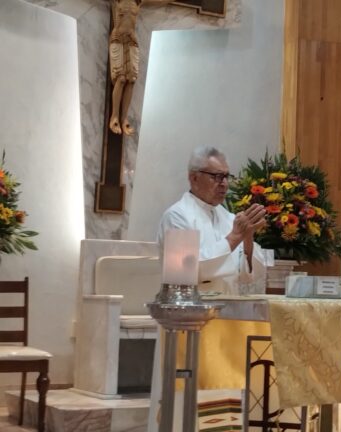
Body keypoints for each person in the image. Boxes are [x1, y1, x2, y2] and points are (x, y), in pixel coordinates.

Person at [157, 146, 270, 294]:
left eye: (226, 176)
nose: (224, 183)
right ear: (194, 178)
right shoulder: (177, 216)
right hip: (191, 311)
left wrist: (247, 237)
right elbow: (186, 271)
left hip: (229, 308)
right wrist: (234, 237)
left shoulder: (228, 217)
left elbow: (248, 277)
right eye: (217, 176)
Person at [108, 0, 174, 135]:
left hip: (132, 40)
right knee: (120, 78)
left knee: (131, 79)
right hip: (118, 39)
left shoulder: (139, 2)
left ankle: (124, 118)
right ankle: (114, 116)